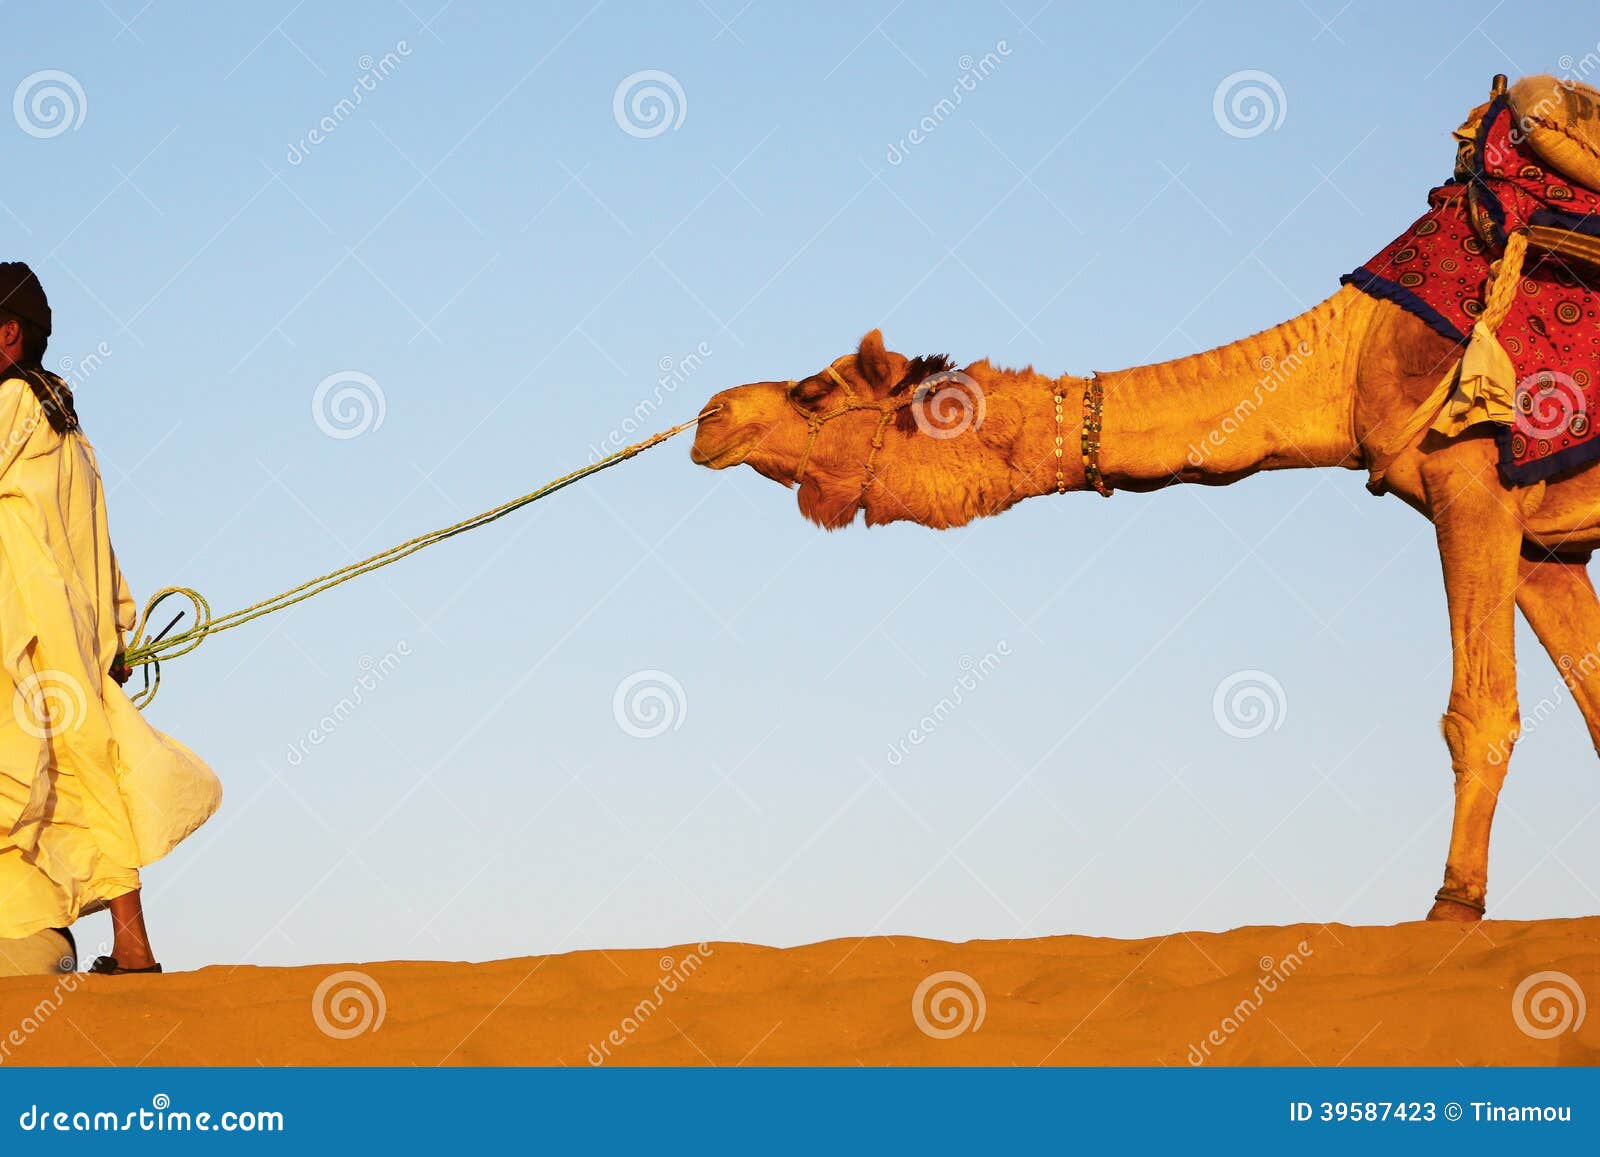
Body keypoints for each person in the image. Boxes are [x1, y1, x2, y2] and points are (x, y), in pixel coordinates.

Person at [0, 262, 220, 975]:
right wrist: (116, 636)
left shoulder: (9, 403)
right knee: (89, 775)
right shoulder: (73, 435)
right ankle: (130, 946)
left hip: (28, 634)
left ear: (6, 336)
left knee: (44, 776)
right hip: (71, 639)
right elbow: (99, 542)